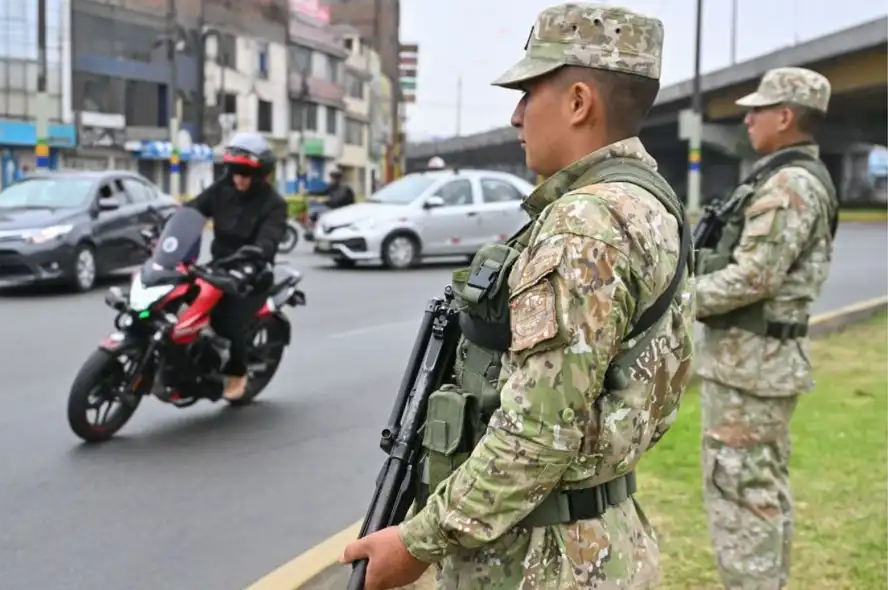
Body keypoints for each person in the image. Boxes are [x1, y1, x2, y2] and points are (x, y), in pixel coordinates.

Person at [340, 4, 695, 589]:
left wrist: (418, 541)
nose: (515, 115)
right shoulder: (650, 205)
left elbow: (537, 431)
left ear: (579, 102)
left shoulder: (586, 224)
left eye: (528, 92)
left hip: (538, 561)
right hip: (595, 536)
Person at [695, 67, 837, 590]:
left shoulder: (789, 184)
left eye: (758, 109)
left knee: (740, 495)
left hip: (750, 369)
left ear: (785, 116)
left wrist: (675, 300)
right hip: (755, 365)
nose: (747, 117)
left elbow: (753, 276)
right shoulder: (785, 176)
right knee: (758, 489)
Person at [183, 131, 288, 401]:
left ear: (260, 174)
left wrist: (254, 255)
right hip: (219, 266)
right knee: (179, 298)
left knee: (227, 321)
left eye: (245, 173)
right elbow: (193, 210)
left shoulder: (274, 205)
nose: (238, 178)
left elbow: (269, 240)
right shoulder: (222, 189)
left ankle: (237, 370)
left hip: (252, 272)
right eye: (234, 171)